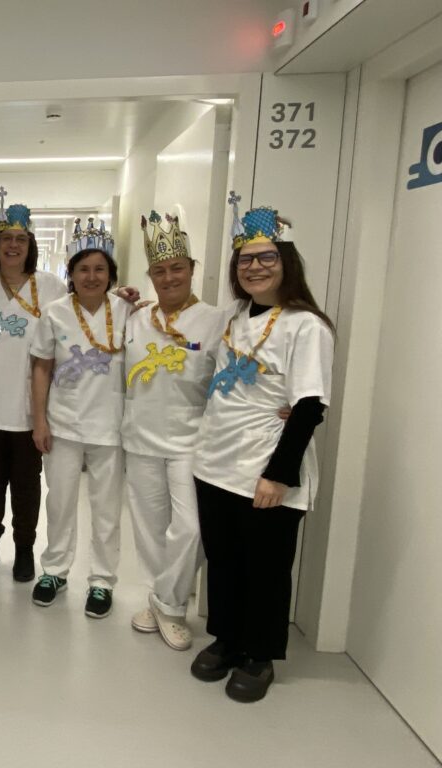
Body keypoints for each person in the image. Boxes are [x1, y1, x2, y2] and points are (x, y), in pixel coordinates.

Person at [190, 196, 334, 702]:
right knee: (224, 560)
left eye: (266, 257)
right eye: (245, 260)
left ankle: (260, 654)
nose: (254, 267)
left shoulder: (305, 325)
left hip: (265, 468)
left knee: (266, 568)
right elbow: (183, 322)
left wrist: (279, 474)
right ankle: (227, 639)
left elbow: (310, 406)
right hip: (216, 462)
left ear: (286, 262)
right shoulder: (232, 317)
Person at [121, 212, 226, 651]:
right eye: (160, 271)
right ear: (150, 276)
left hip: (191, 442)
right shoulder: (135, 318)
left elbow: (233, 378)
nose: (169, 278)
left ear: (192, 269)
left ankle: (167, 604)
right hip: (140, 437)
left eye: (177, 268)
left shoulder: (216, 320)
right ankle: (163, 599)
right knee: (150, 529)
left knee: (190, 528)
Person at [28, 221, 131, 618]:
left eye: (100, 269)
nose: (91, 276)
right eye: (83, 269)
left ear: (111, 274)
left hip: (111, 426)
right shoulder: (55, 313)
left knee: (106, 509)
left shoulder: (128, 312)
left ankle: (102, 580)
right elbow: (41, 368)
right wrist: (40, 421)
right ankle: (54, 570)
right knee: (60, 502)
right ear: (70, 273)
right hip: (64, 423)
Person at [0, 189, 67, 582]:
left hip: (30, 408)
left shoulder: (51, 287)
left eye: (21, 239)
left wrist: (123, 299)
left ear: (30, 245)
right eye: (6, 238)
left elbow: (79, 320)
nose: (13, 245)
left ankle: (24, 549)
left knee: (26, 484)